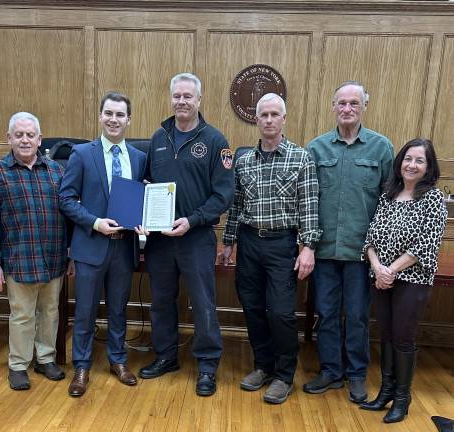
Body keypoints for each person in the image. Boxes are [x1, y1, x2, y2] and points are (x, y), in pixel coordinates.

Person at [219, 93, 321, 404]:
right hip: (249, 242)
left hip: (282, 245)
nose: (269, 120)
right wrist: (228, 241)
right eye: (263, 114)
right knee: (251, 307)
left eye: (275, 114)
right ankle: (263, 366)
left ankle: (284, 375)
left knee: (280, 313)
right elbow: (236, 205)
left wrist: (309, 247)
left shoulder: (301, 158)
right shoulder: (244, 160)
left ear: (284, 119)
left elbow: (310, 206)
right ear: (256, 119)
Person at [138, 72, 234, 397]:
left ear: (199, 100)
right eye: (177, 96)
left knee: (204, 304)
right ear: (171, 98)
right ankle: (166, 356)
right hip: (160, 239)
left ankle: (207, 366)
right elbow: (148, 182)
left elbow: (223, 196)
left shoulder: (215, 142)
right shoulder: (158, 138)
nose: (182, 101)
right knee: (161, 301)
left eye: (187, 96)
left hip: (196, 237)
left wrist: (192, 221)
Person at [304, 80, 394, 403]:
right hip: (325, 250)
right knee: (326, 313)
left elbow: (389, 202)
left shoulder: (382, 148)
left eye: (354, 103)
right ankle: (330, 370)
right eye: (342, 103)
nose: (347, 109)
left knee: (356, 315)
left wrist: (380, 254)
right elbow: (308, 201)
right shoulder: (316, 148)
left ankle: (356, 373)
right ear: (333, 107)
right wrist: (307, 245)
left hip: (361, 252)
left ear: (364, 107)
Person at [59, 91, 146, 397]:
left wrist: (146, 217)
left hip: (124, 248)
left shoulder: (139, 158)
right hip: (91, 245)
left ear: (128, 120)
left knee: (119, 310)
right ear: (100, 116)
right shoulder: (82, 154)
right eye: (108, 113)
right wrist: (95, 222)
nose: (114, 119)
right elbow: (66, 199)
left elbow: (146, 199)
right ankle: (81, 366)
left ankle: (118, 360)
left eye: (120, 114)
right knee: (84, 311)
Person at [0, 112, 68, 391]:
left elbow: (68, 216)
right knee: (22, 314)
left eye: (31, 135)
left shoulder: (56, 171)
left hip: (54, 257)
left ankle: (45, 358)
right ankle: (18, 364)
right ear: (9, 139)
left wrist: (71, 253)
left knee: (50, 311)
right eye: (19, 135)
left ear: (40, 139)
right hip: (18, 260)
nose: (25, 140)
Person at [361, 138, 447, 423]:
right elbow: (370, 238)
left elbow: (426, 245)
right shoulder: (388, 194)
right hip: (382, 278)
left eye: (419, 161)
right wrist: (378, 268)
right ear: (400, 163)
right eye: (408, 159)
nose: (412, 165)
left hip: (412, 280)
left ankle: (402, 398)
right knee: (385, 335)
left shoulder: (433, 198)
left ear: (428, 167)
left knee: (403, 338)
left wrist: (391, 270)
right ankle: (385, 392)